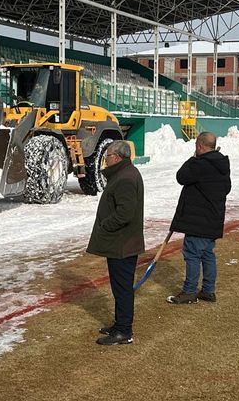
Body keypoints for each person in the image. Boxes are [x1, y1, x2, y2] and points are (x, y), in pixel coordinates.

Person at [86, 140, 144, 345]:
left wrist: (106, 225)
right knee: (120, 288)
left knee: (122, 289)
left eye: (107, 156)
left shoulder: (126, 178)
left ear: (117, 157)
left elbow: (125, 213)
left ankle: (124, 331)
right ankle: (120, 324)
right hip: (121, 243)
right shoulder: (125, 173)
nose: (105, 160)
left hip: (123, 244)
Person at [166, 131, 231, 304]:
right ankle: (208, 290)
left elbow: (181, 176)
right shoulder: (222, 164)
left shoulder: (200, 164)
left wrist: (193, 158)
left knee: (192, 254)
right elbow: (227, 188)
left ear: (199, 146)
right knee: (207, 254)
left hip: (198, 221)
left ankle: (189, 291)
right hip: (213, 219)